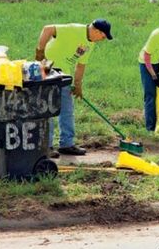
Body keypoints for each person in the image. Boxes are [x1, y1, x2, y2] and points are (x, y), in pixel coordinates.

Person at [35, 19, 113, 156]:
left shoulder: (91, 44)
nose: (103, 39)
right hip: (48, 71)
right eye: (103, 36)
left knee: (67, 110)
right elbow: (47, 28)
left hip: (64, 75)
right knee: (48, 111)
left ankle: (67, 144)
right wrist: (40, 50)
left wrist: (78, 85)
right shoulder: (74, 29)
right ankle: (46, 147)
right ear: (95, 30)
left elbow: (81, 65)